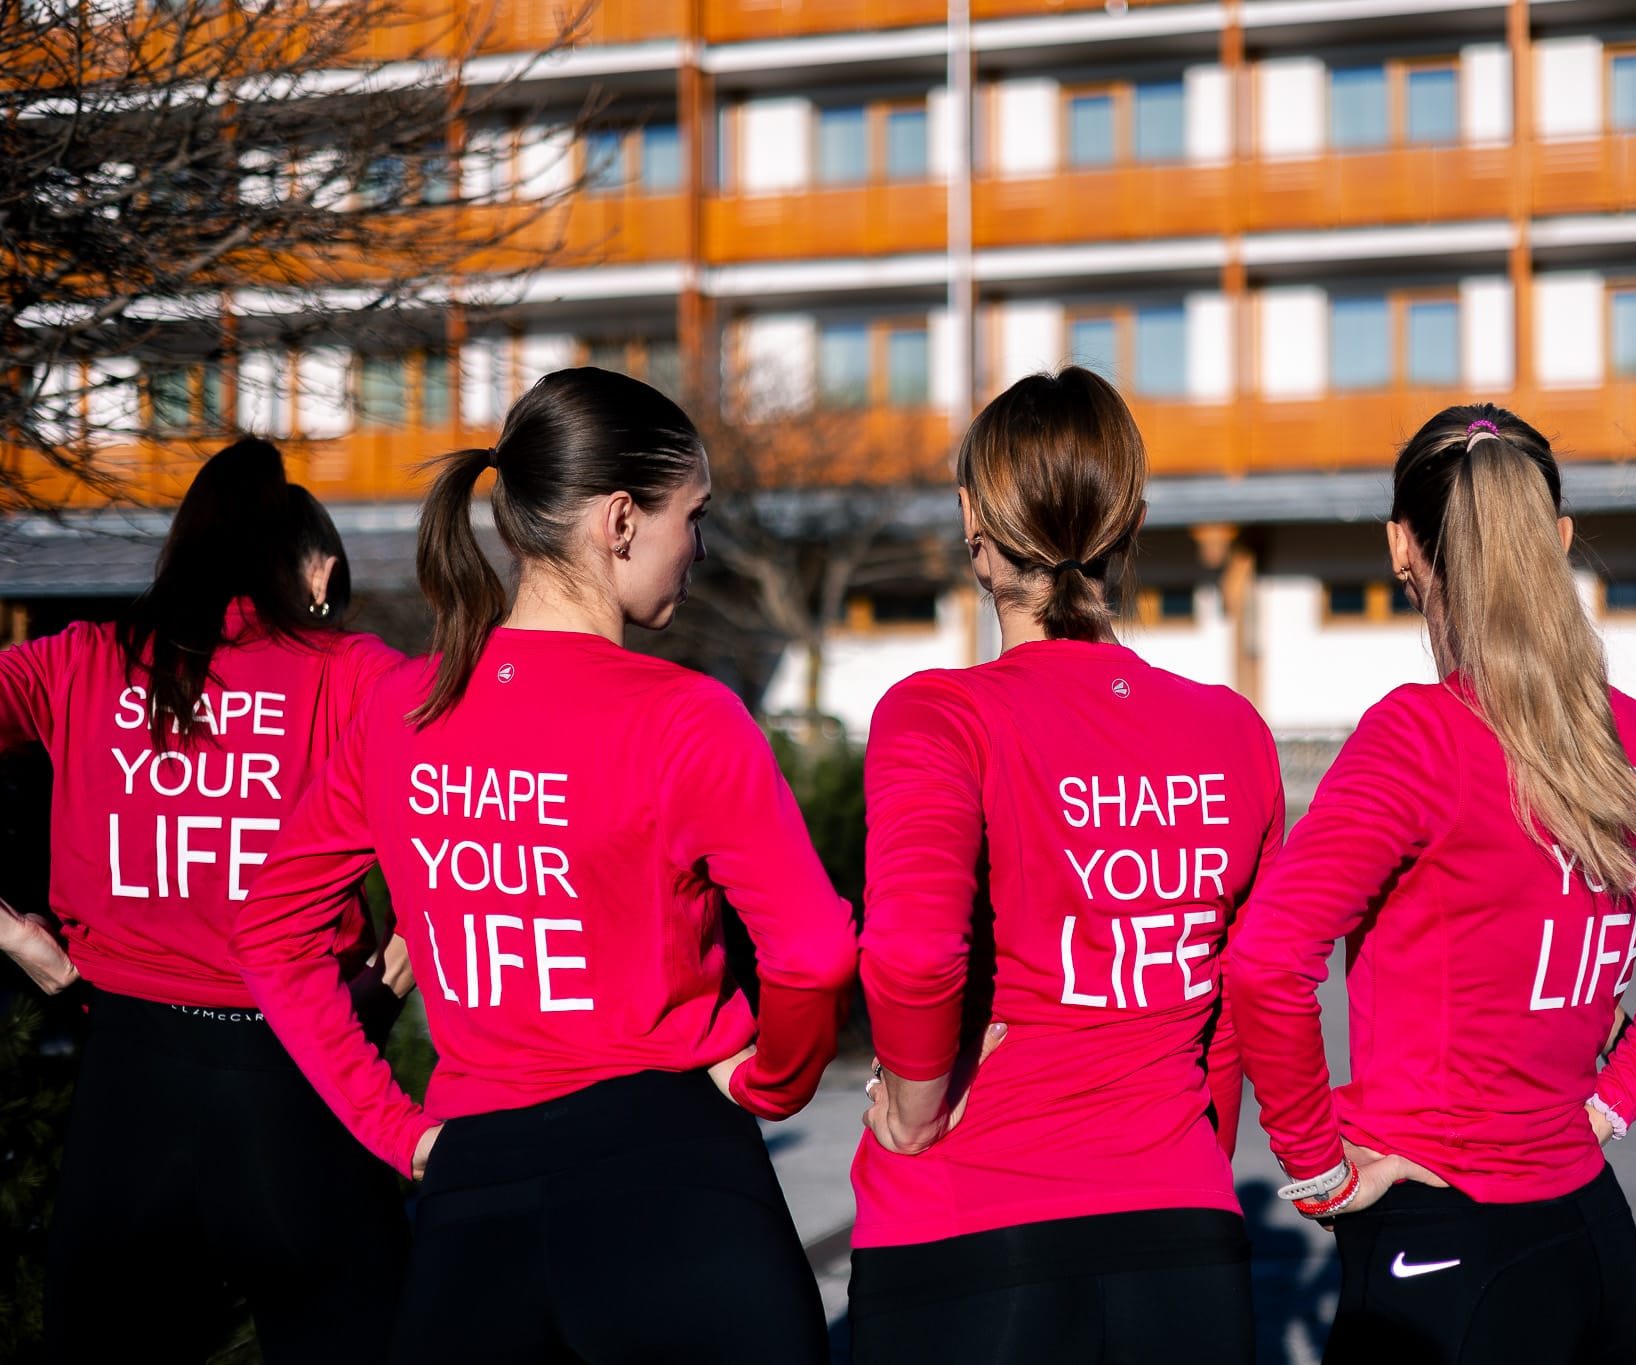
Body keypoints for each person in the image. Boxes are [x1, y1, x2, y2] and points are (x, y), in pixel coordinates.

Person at [232, 368, 857, 1365]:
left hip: (476, 1198)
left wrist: (399, 1133)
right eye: (691, 516)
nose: (697, 546)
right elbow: (817, 952)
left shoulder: (400, 711)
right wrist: (774, 1083)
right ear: (618, 520)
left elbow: (270, 929)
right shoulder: (682, 715)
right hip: (674, 1179)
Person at [1228, 405, 1636, 1365]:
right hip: (1595, 1246)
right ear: (1556, 538)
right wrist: (1612, 1102)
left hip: (1446, 1246)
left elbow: (1267, 959)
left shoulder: (1421, 734)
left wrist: (1313, 1168)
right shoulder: (1634, 734)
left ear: (1402, 545)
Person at [851, 367, 1284, 1364]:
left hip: (968, 1230)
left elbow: (913, 952)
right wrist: (1181, 1169)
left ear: (973, 523)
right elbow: (1240, 1005)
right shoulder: (1231, 731)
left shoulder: (939, 715)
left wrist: (915, 1109)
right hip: (1180, 1242)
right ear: (1128, 525)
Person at [0, 438, 412, 1364]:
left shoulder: (83, 661)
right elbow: (472, 785)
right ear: (319, 571)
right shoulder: (350, 671)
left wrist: (15, 936)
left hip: (128, 1092)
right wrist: (406, 959)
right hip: (301, 1085)